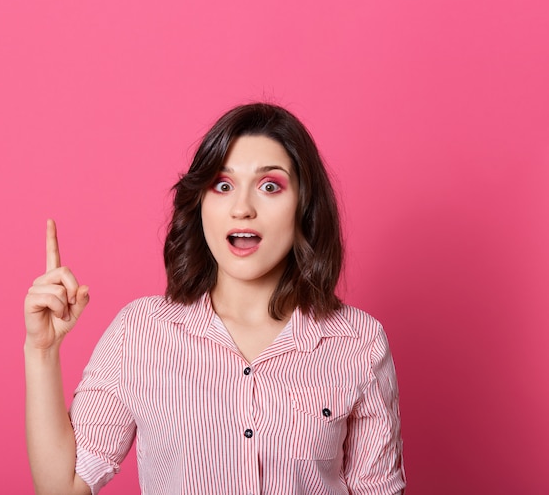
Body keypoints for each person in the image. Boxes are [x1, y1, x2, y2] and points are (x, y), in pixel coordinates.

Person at [24, 103, 406, 495]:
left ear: (304, 207)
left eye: (270, 186)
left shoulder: (358, 341)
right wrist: (42, 351)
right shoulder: (139, 332)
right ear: (201, 203)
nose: (242, 208)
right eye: (223, 185)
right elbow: (63, 489)